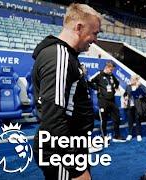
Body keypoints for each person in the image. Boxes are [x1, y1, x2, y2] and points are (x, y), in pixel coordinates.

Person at [32, 3, 101, 180]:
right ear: (79, 27)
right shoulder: (58, 55)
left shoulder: (67, 55)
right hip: (61, 151)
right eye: (95, 33)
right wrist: (74, 166)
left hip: (70, 145)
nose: (95, 40)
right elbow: (53, 117)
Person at [89, 62, 126, 142]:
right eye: (110, 69)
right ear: (107, 67)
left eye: (112, 70)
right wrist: (97, 88)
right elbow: (90, 81)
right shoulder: (99, 74)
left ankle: (117, 135)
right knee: (104, 119)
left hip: (112, 100)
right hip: (103, 101)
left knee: (116, 118)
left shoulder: (111, 75)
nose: (111, 71)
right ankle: (104, 137)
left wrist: (115, 88)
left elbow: (117, 83)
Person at [123, 75, 146, 142]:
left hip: (138, 107)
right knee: (130, 121)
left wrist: (140, 87)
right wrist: (125, 97)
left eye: (132, 79)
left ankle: (138, 134)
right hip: (130, 106)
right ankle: (130, 134)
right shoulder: (128, 86)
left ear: (136, 80)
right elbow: (125, 94)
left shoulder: (141, 86)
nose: (131, 80)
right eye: (131, 79)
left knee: (138, 121)